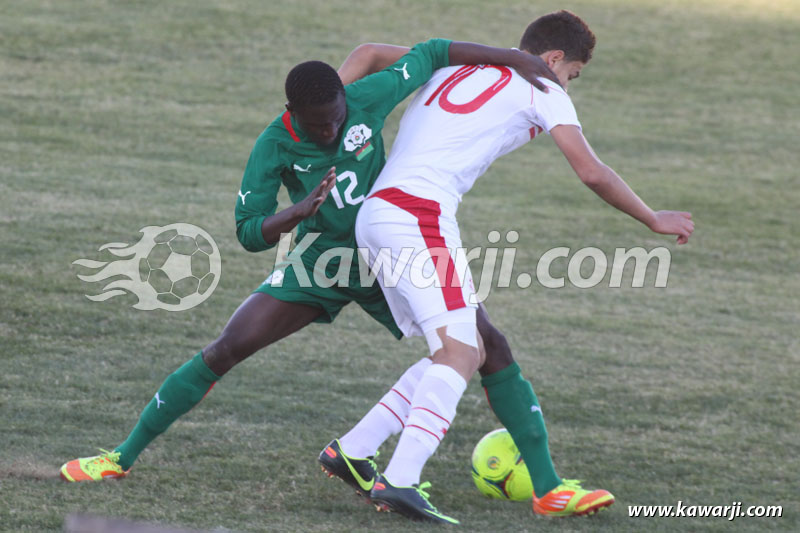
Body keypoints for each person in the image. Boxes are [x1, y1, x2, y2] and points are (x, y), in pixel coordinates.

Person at [58, 38, 559, 486]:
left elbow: (429, 54)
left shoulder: (362, 98)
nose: (332, 129)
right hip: (322, 263)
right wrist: (294, 215)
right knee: (225, 348)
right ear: (292, 112)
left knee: (485, 345)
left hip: (389, 253)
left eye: (337, 117)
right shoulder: (273, 145)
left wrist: (510, 57)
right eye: (320, 124)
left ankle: (549, 487)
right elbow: (248, 230)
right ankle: (120, 457)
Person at [336, 10, 694, 524]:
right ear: (552, 59)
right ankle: (401, 479)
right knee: (460, 351)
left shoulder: (456, 63)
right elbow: (591, 172)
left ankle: (355, 449)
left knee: (477, 346)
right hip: (419, 216)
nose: (569, 84)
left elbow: (368, 51)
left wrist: (307, 117)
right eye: (573, 74)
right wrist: (651, 217)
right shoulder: (541, 85)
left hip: (379, 215)